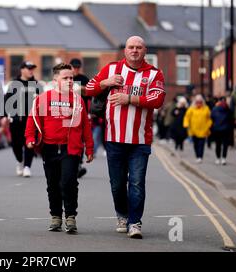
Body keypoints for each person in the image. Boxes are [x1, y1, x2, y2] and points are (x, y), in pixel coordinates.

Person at [84, 36, 165, 239]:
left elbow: (157, 99)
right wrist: (107, 82)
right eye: (131, 47)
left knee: (137, 182)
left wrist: (129, 98)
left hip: (140, 140)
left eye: (138, 47)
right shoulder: (112, 68)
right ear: (125, 50)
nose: (134, 51)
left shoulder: (154, 74)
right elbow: (89, 89)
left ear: (144, 50)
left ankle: (135, 222)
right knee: (117, 183)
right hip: (113, 138)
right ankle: (122, 215)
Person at [25, 63, 94, 234]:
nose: (70, 81)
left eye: (71, 78)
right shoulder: (43, 99)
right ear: (55, 79)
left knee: (69, 182)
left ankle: (70, 217)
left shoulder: (78, 100)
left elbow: (85, 125)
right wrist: (30, 139)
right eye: (66, 78)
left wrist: (90, 148)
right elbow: (32, 121)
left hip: (70, 149)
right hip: (48, 148)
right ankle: (56, 216)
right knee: (53, 184)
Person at [4, 61, 42, 177]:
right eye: (28, 68)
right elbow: (6, 101)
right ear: (22, 70)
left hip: (31, 119)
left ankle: (27, 167)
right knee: (16, 144)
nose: (31, 70)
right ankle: (20, 161)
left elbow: (43, 102)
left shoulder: (37, 85)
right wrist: (5, 116)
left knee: (30, 142)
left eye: (32, 68)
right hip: (16, 119)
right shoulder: (14, 84)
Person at [69, 58, 91, 178]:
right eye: (74, 67)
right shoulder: (66, 78)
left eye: (77, 67)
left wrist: (80, 88)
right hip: (67, 112)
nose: (76, 69)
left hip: (81, 112)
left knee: (80, 139)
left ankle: (78, 163)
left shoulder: (84, 79)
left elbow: (90, 92)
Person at [183, 94, 212, 164]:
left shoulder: (206, 108)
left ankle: (200, 157)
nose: (199, 103)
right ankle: (197, 156)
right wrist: (186, 124)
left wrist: (209, 125)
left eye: (200, 102)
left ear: (202, 102)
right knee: (196, 144)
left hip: (203, 130)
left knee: (201, 144)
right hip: (194, 130)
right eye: (197, 102)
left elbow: (209, 118)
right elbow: (187, 117)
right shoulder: (191, 109)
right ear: (195, 102)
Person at [211, 97, 233, 165]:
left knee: (218, 144)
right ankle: (224, 158)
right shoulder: (228, 109)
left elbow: (212, 117)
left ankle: (218, 158)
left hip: (217, 129)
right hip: (226, 129)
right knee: (225, 145)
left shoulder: (215, 109)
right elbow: (231, 119)